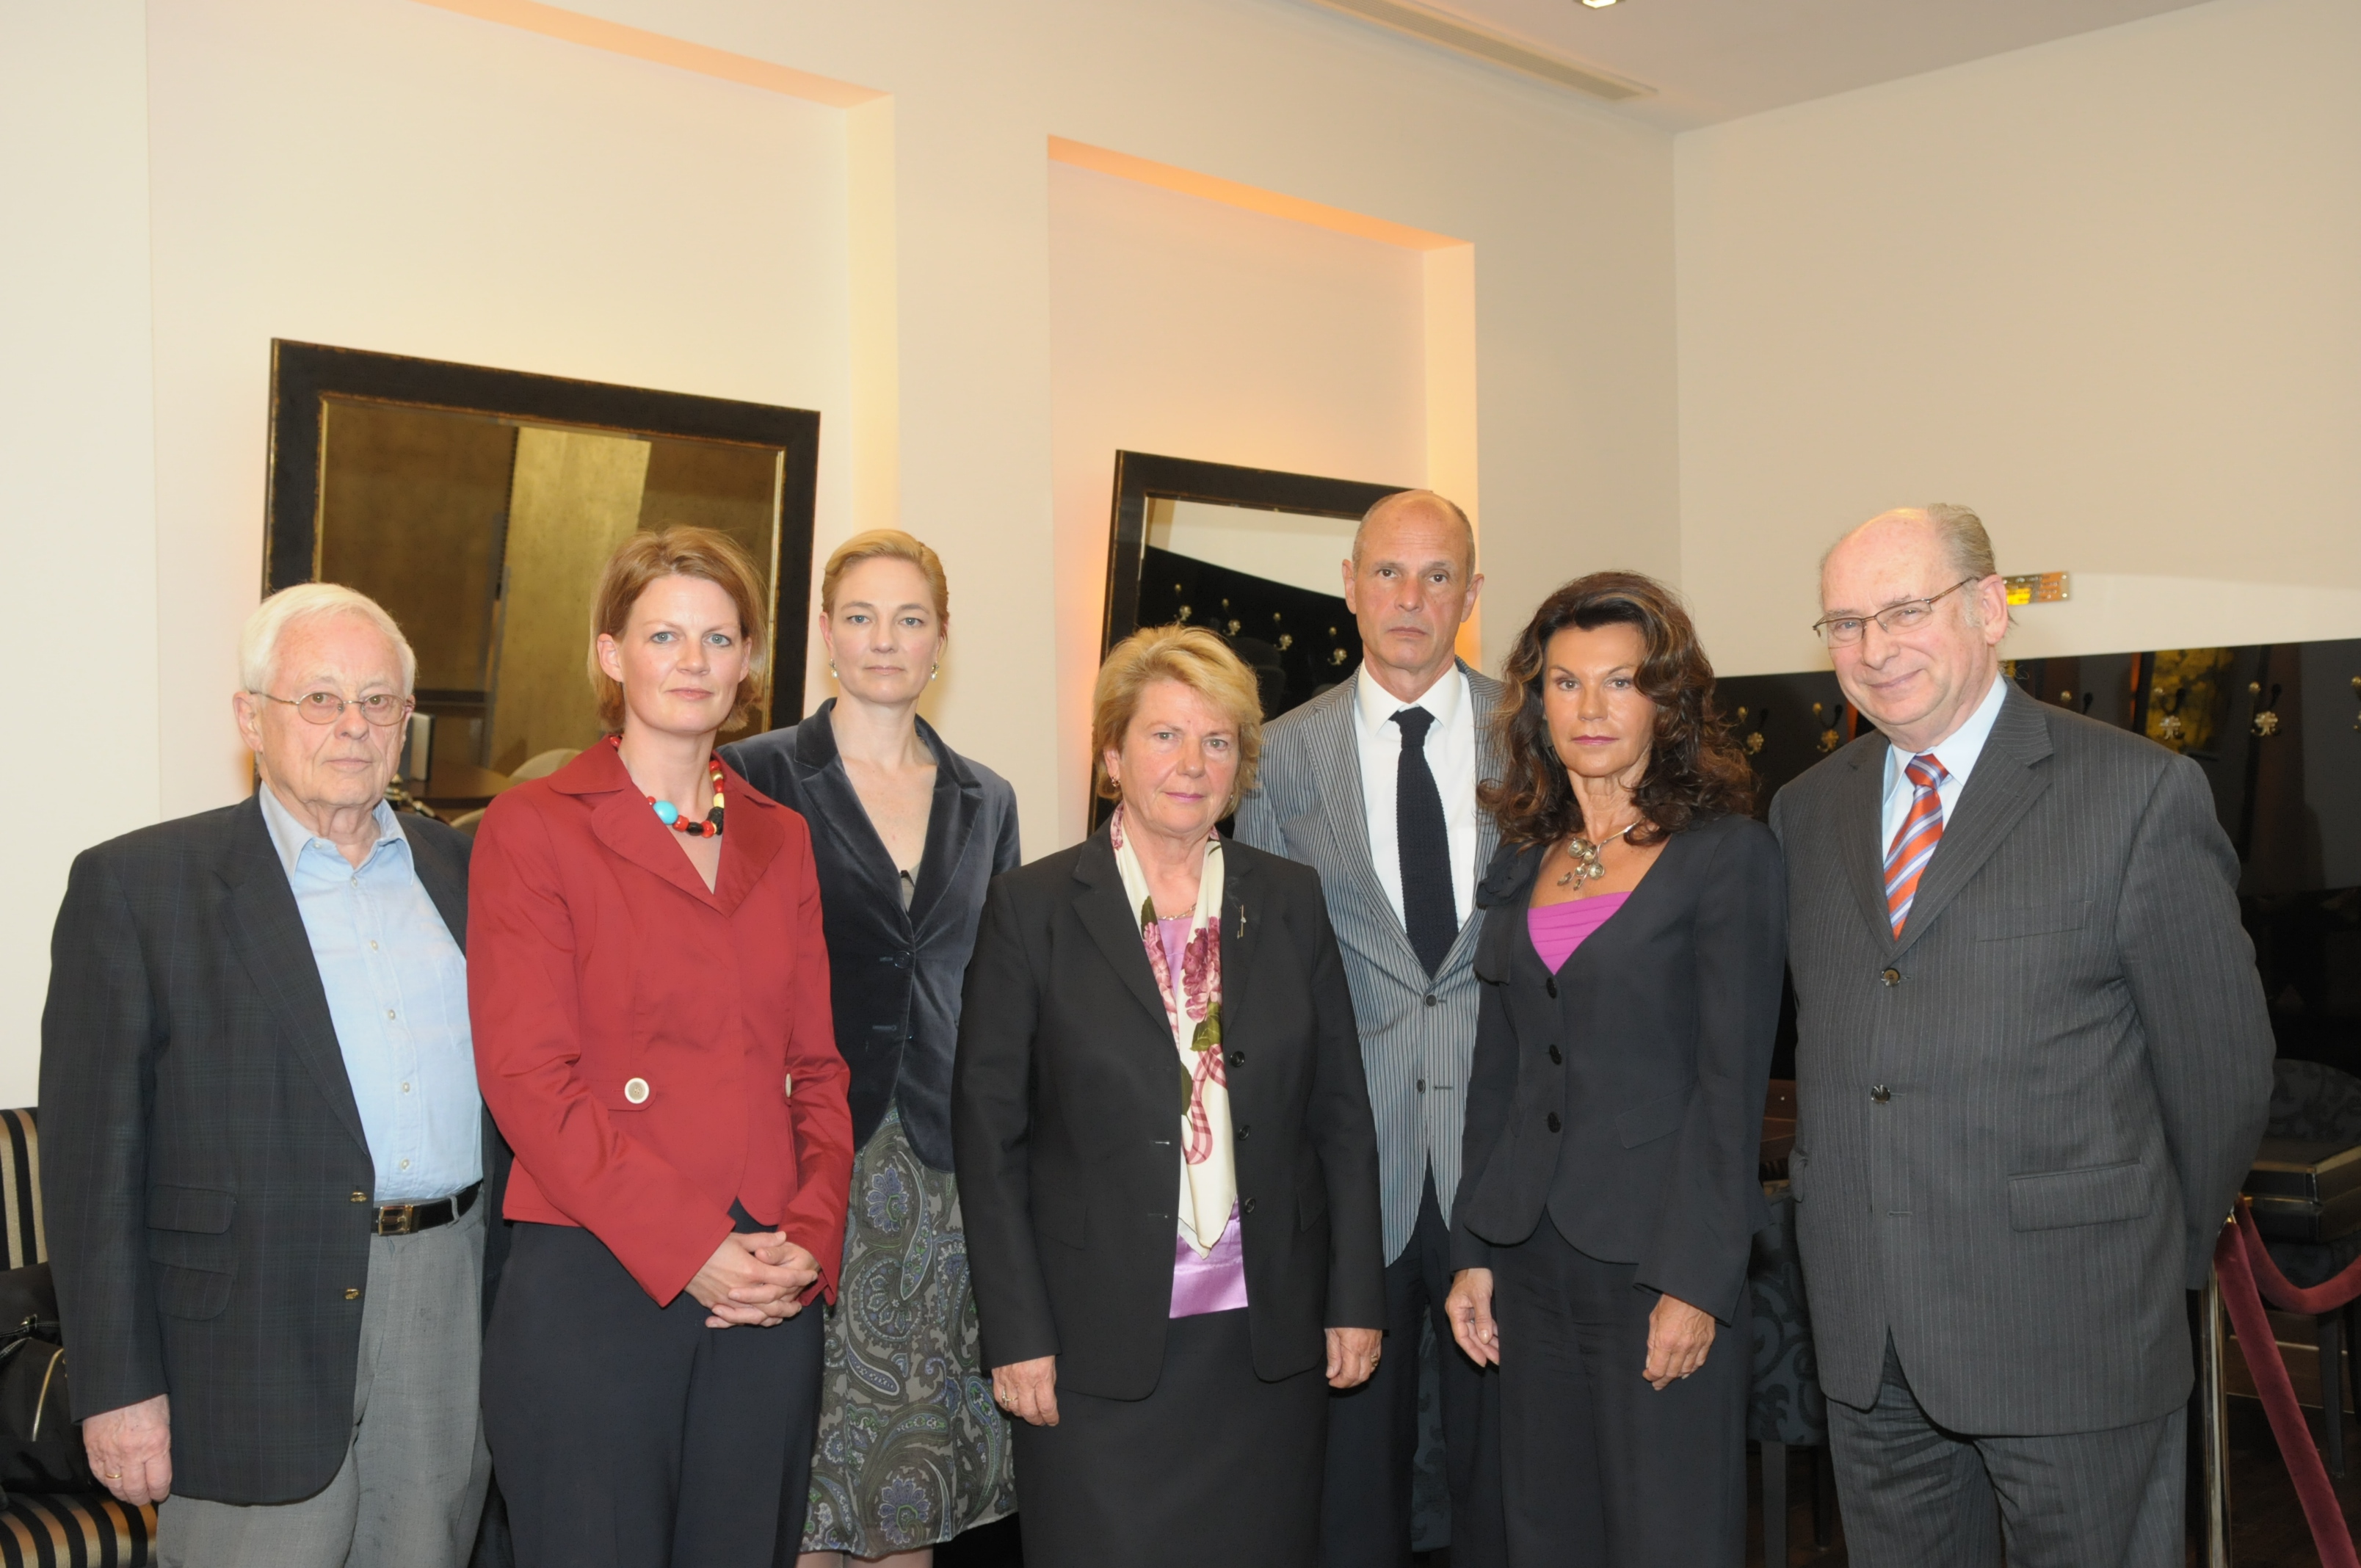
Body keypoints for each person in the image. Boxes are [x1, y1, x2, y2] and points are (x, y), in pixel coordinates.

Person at [1774, 505, 2274, 1567]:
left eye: (1905, 611)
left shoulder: (2136, 793)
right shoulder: (1806, 812)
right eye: (1845, 623)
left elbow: (2220, 1075)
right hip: (1869, 1338)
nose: (1873, 647)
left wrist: (2143, 1262)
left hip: (2074, 1325)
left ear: (1991, 609)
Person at [41, 584, 493, 1567]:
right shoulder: (141, 887)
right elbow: (89, 1169)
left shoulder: (466, 872)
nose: (353, 725)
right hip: (245, 1333)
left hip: (446, 1301)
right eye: (319, 698)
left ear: (406, 721)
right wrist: (118, 1388)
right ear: (251, 718)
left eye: (378, 700)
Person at [954, 625, 1385, 1568]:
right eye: (1164, 735)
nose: (1193, 763)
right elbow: (988, 1144)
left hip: (1266, 1343)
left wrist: (1356, 1298)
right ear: (1112, 756)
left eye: (1218, 740)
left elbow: (1341, 1119)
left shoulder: (1291, 899)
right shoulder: (1031, 909)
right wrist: (1015, 1333)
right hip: (1094, 1346)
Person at [468, 526, 855, 1567]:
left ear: (748, 662)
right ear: (611, 654)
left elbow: (819, 1069)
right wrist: (692, 1251)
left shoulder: (781, 835)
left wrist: (810, 1237)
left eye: (718, 638)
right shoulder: (534, 826)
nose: (693, 661)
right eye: (664, 635)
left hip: (766, 1289)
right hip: (601, 1275)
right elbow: (527, 1079)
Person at [1443, 572, 1785, 1566]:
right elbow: (1498, 1073)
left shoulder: (1729, 857)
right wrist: (1472, 1248)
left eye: (1620, 682)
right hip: (1526, 1256)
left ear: (1666, 703)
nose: (1590, 707)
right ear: (1536, 703)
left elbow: (1730, 1092)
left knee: (1665, 1534)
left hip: (1655, 1261)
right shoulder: (1525, 853)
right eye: (1565, 683)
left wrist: (1696, 1284)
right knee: (1545, 1533)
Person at [724, 530, 1020, 1566]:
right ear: (826, 634)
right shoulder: (753, 774)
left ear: (942, 639)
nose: (884, 639)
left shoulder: (987, 797)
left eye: (909, 618)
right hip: (803, 1156)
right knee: (806, 1474)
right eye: (860, 616)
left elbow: (1000, 987)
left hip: (940, 1166)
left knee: (912, 1476)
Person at [1233, 487, 1506, 1567]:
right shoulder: (1277, 758)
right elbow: (1261, 983)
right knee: (1351, 1483)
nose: (1409, 598)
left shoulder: (1537, 735)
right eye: (1388, 572)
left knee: (1507, 1476)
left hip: (1504, 1160)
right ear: (1349, 585)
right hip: (1351, 1166)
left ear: (1471, 595)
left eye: (1437, 576)